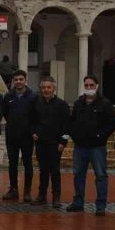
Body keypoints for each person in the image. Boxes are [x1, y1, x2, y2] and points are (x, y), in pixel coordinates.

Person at [66, 75, 115, 215]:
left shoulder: (105, 103)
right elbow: (71, 122)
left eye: (91, 85)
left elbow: (112, 123)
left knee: (100, 175)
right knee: (78, 174)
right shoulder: (78, 103)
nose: (89, 88)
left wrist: (101, 136)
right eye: (86, 85)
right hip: (80, 146)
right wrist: (74, 135)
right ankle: (78, 202)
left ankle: (100, 206)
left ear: (97, 86)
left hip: (97, 147)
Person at [30, 76, 71, 208]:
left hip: (55, 143)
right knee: (43, 170)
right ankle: (41, 195)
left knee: (55, 170)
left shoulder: (62, 104)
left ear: (54, 88)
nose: (46, 90)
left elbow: (67, 125)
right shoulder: (37, 102)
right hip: (41, 142)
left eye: (49, 87)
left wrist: (63, 142)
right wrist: (33, 132)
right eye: (43, 87)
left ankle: (56, 197)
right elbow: (32, 120)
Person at [2, 69, 37, 202]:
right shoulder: (8, 96)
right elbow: (6, 113)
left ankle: (27, 191)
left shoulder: (33, 96)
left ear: (25, 81)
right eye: (16, 80)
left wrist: (32, 130)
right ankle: (13, 189)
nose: (18, 82)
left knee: (28, 163)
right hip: (12, 135)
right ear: (13, 81)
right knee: (12, 163)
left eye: (21, 79)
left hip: (27, 136)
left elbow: (35, 116)